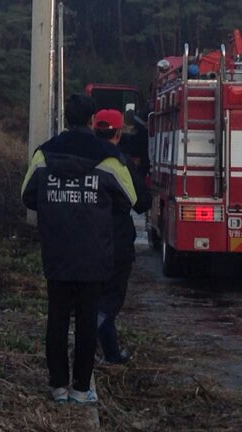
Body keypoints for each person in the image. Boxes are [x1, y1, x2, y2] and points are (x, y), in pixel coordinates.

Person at [21, 94, 137, 405]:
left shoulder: (45, 153)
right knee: (87, 323)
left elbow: (27, 195)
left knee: (57, 320)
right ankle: (81, 389)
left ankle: (58, 386)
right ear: (91, 120)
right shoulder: (108, 156)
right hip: (94, 254)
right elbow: (129, 199)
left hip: (57, 252)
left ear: (66, 118)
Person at [92, 108, 152, 365]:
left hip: (85, 241)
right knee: (109, 302)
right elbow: (141, 202)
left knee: (94, 298)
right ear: (117, 133)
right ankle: (92, 339)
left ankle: (110, 352)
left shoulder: (80, 156)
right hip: (116, 242)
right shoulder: (119, 162)